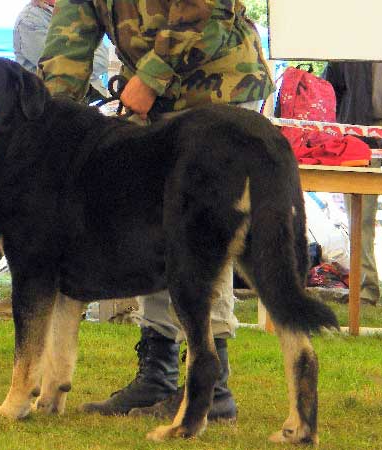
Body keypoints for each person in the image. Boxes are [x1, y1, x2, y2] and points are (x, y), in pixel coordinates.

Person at [37, 0, 275, 420]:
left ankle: (212, 387)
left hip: (217, 89)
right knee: (149, 227)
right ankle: (158, 372)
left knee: (200, 235)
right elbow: (69, 39)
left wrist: (150, 76)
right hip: (152, 100)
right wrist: (51, 120)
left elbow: (203, 9)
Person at [324, 61, 382, 308]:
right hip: (357, 136)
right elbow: (333, 87)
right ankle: (363, 289)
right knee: (358, 217)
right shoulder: (351, 40)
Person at [13, 0, 109, 103]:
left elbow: (103, 60)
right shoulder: (29, 21)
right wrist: (82, 63)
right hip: (50, 103)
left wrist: (80, 64)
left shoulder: (77, 12)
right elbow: (57, 69)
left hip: (89, 100)